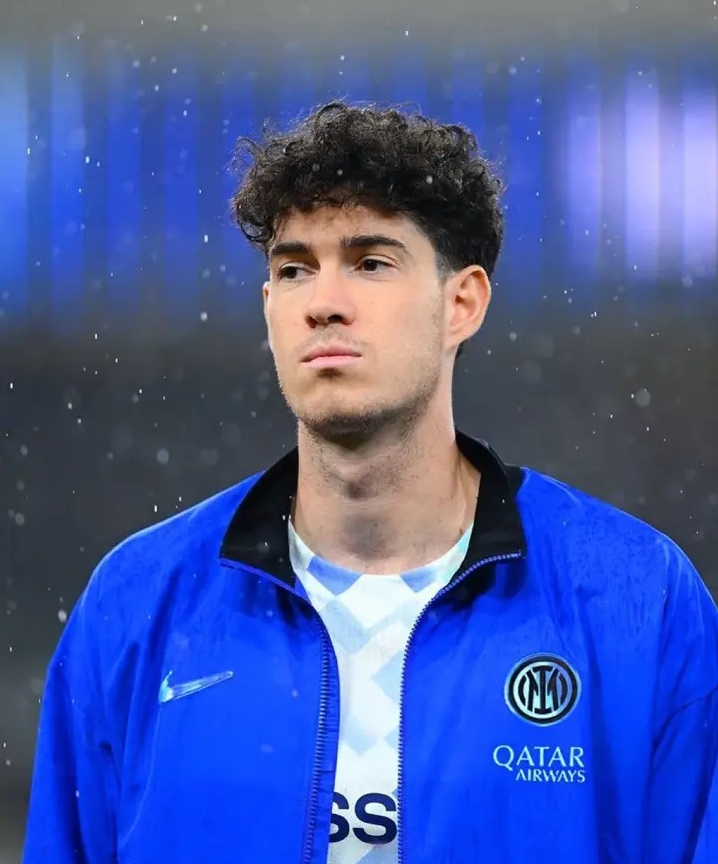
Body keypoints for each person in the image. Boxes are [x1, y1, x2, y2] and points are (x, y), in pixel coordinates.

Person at [23, 101, 718, 864]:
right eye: (294, 270)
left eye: (371, 262)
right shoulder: (136, 605)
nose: (323, 303)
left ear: (462, 304)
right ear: (269, 310)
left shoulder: (637, 601)